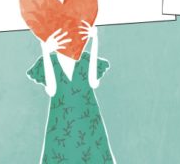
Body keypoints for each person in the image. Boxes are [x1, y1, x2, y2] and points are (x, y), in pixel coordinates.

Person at [27, 24, 115, 164]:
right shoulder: (50, 60)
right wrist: (44, 49)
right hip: (61, 127)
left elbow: (93, 83)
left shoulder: (85, 59)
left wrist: (95, 39)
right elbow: (51, 90)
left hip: (88, 124)